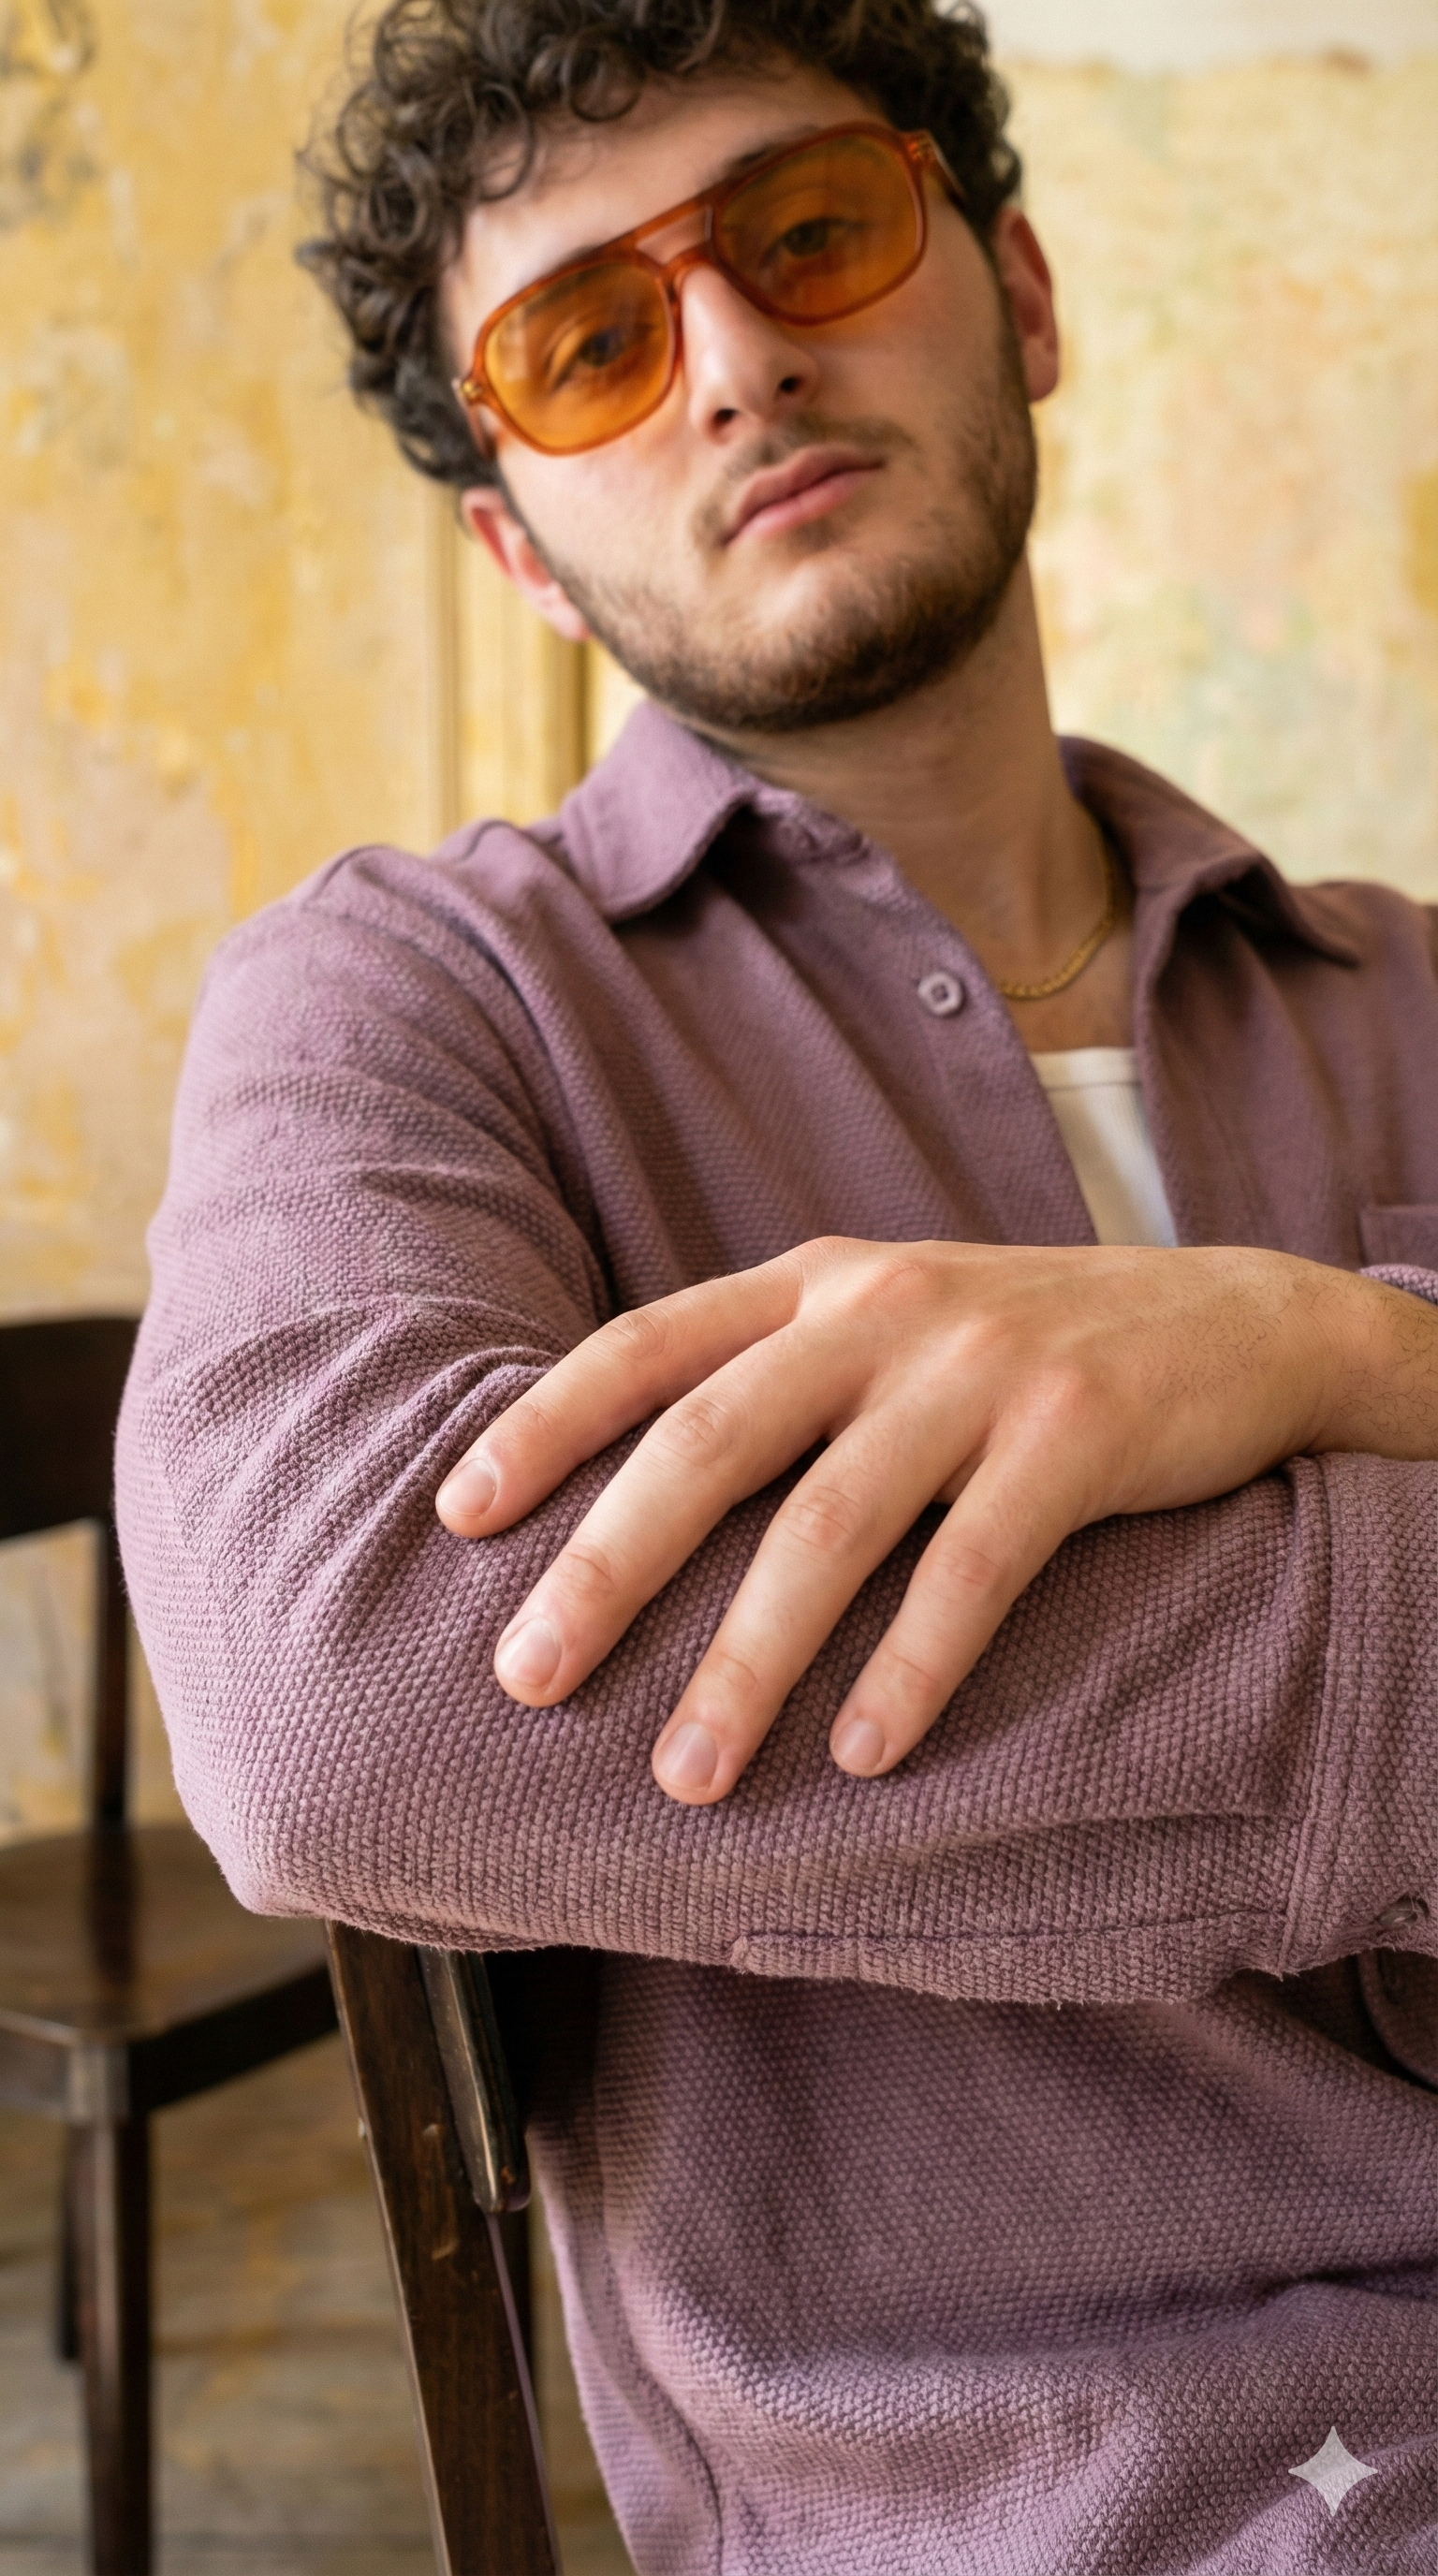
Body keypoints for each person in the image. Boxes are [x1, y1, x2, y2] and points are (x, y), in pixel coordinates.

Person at [116, 0, 1438, 2564]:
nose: (733, 360)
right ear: (516, 542)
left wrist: (1322, 1341)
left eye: (812, 227)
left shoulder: (1405, 984)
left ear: (1018, 294)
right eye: (586, 341)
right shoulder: (414, 997)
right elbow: (339, 1695)